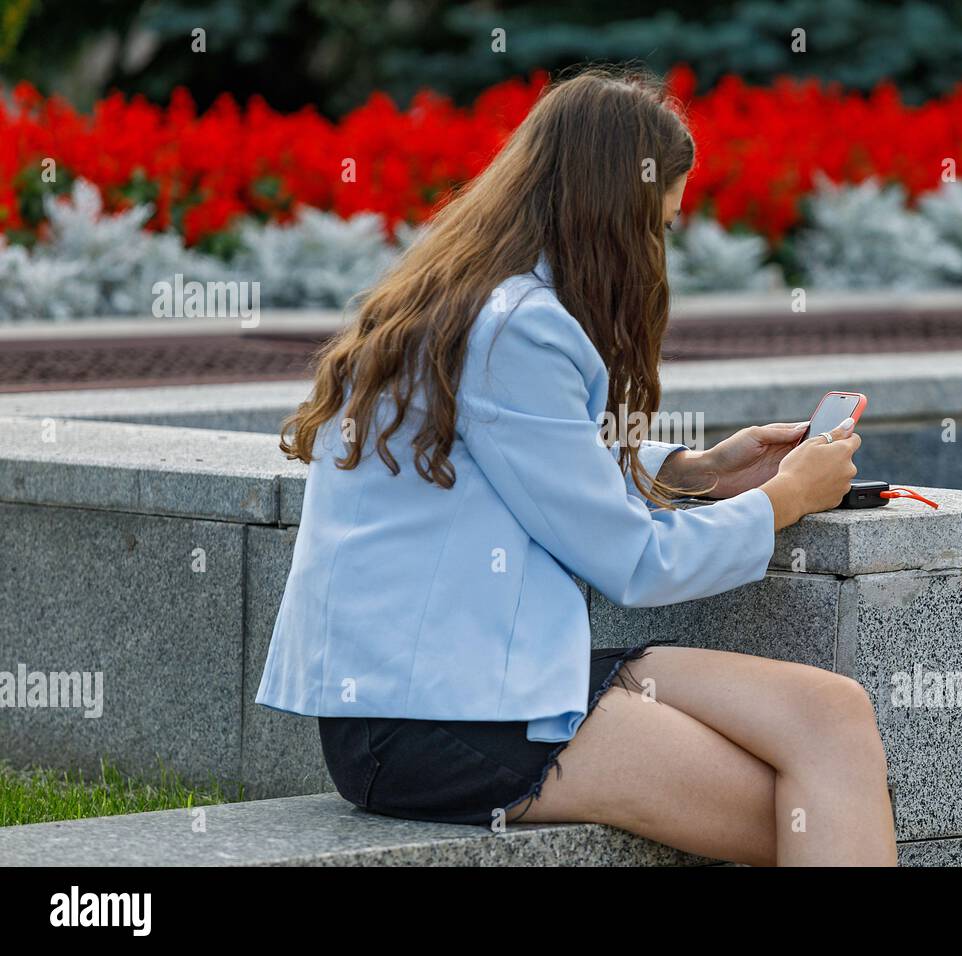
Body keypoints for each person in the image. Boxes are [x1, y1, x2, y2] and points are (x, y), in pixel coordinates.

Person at [255, 66, 896, 867]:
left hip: (485, 677)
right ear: (609, 211)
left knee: (832, 716)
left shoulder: (481, 300)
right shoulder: (518, 328)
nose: (658, 251)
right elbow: (632, 561)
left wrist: (698, 471)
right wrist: (781, 501)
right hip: (437, 720)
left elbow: (531, 460)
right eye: (657, 225)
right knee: (811, 814)